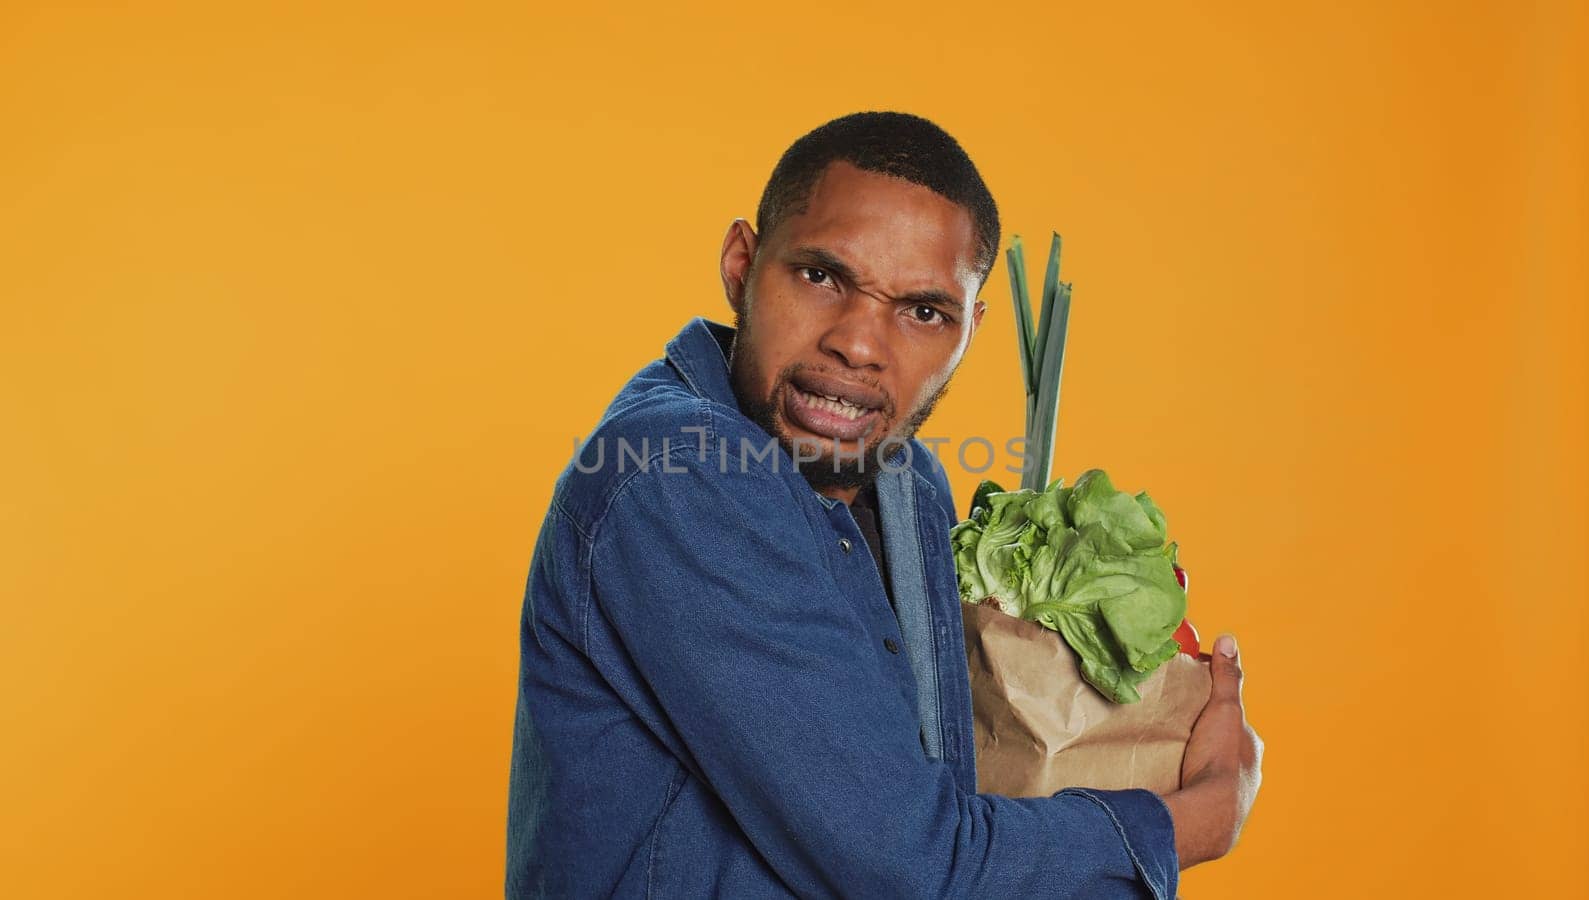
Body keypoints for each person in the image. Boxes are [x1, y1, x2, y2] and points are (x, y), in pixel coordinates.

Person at [505, 111, 1262, 899]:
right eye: (822, 277)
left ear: (971, 328)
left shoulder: (906, 479)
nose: (860, 344)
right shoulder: (677, 475)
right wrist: (1201, 813)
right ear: (740, 265)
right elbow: (909, 867)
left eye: (923, 311)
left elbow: (931, 801)